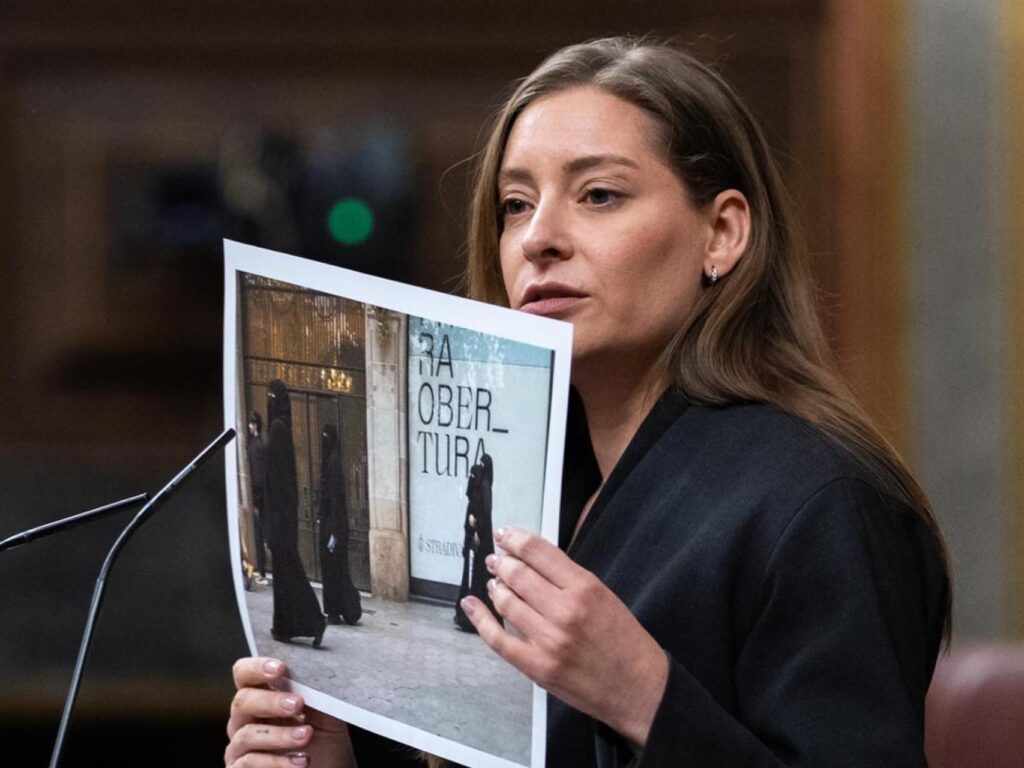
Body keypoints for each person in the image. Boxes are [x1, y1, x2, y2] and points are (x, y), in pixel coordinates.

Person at [226, 37, 950, 768]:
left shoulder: (823, 501)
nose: (537, 239)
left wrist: (645, 696)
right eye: (516, 205)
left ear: (722, 233)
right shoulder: (545, 480)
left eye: (599, 194)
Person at [264, 379, 327, 648]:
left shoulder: (278, 429)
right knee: (285, 573)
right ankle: (286, 626)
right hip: (282, 517)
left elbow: (279, 482)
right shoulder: (282, 428)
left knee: (289, 572)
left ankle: (312, 620)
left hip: (280, 519)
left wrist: (274, 521)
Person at [318, 423, 362, 626]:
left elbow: (335, 501)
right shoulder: (331, 462)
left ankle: (339, 609)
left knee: (334, 569)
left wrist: (333, 535)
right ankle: (336, 609)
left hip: (333, 529)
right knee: (335, 569)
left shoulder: (333, 465)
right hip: (332, 527)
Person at [454, 453, 499, 632]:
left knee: (478, 576)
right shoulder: (479, 487)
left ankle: (473, 616)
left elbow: (484, 513)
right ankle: (466, 613)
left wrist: (477, 527)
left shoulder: (484, 487)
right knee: (472, 575)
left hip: (479, 542)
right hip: (474, 540)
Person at [247, 410, 269, 585]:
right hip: (260, 496)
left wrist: (256, 498)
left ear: (254, 425)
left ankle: (262, 570)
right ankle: (261, 570)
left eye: (251, 423)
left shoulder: (256, 446)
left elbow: (258, 475)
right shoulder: (258, 444)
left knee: (259, 534)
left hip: (258, 497)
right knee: (260, 534)